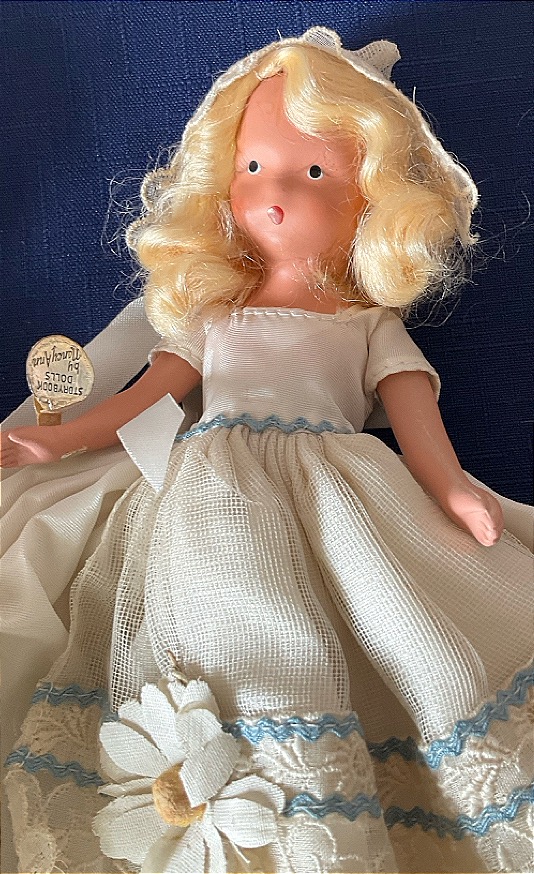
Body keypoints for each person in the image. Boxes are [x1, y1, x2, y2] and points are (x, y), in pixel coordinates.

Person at [2, 27, 533, 874]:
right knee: (225, 626)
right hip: (209, 502)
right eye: (253, 168)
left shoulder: (366, 325)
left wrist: (454, 492)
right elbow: (143, 401)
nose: (276, 192)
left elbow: (421, 429)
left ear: (374, 200)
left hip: (345, 497)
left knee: (393, 622)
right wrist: (55, 439)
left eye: (314, 173)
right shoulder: (212, 319)